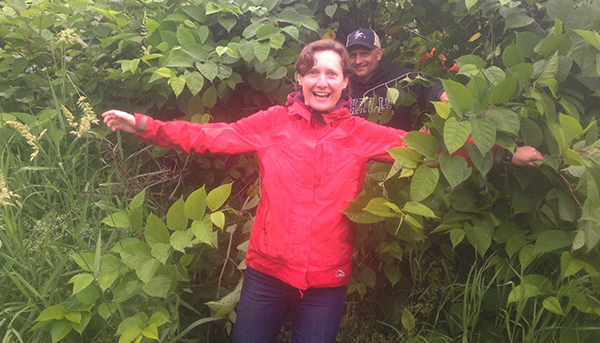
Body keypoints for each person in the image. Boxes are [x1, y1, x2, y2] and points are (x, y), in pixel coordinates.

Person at [102, 39, 545, 343]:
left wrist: (504, 152)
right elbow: (207, 135)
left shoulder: (361, 133)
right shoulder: (272, 123)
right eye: (312, 72)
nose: (322, 81)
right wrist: (143, 125)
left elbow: (429, 150)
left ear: (345, 83)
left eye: (331, 73)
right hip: (264, 275)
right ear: (299, 80)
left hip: (326, 283)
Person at [346, 28, 449, 131]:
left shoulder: (398, 78)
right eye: (353, 55)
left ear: (378, 54)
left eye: (364, 54)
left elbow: (426, 84)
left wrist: (442, 93)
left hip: (394, 144)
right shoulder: (342, 84)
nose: (358, 61)